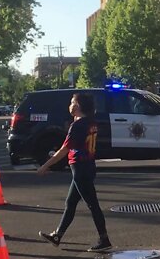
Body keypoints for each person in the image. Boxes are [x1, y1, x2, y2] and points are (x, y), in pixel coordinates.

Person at [37, 93, 112, 252]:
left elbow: (64, 150)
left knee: (93, 204)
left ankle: (104, 238)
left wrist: (45, 165)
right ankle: (57, 235)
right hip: (88, 166)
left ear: (78, 106)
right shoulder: (90, 122)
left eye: (72, 102)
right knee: (70, 203)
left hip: (80, 168)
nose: (70, 105)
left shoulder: (77, 126)